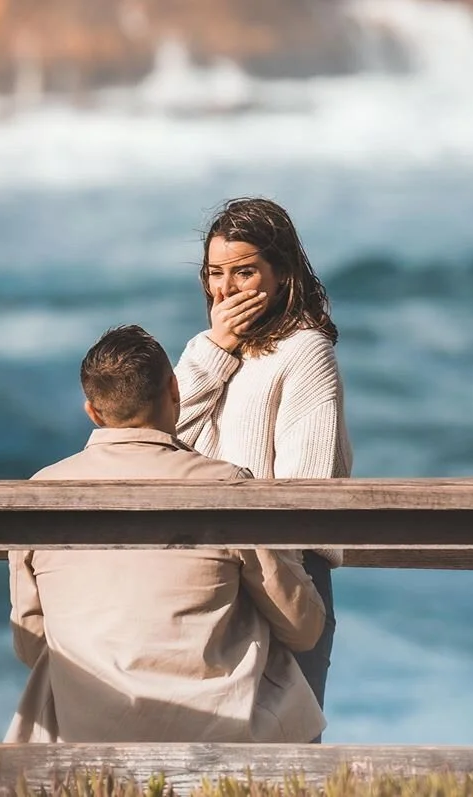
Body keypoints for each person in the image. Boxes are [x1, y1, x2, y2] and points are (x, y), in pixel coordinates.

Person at [5, 325, 326, 744]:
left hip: (87, 735)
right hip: (220, 737)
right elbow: (302, 627)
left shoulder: (38, 494)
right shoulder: (226, 487)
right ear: (175, 389)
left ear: (93, 412)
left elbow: (30, 643)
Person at [175, 197, 352, 714]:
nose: (225, 289)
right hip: (209, 578)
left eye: (244, 272)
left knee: (287, 748)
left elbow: (309, 489)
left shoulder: (306, 350)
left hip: (285, 580)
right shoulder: (207, 349)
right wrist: (217, 345)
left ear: (281, 274)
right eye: (215, 274)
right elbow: (158, 440)